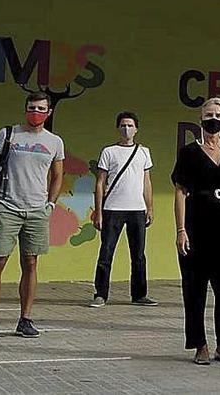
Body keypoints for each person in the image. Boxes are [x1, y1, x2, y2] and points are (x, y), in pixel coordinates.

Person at [0, 92, 66, 340]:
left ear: (48, 113)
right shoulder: (9, 134)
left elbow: (58, 175)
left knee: (31, 263)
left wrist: (50, 203)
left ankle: (25, 319)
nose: (35, 112)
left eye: (40, 109)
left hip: (37, 211)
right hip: (7, 208)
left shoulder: (55, 142)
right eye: (31, 107)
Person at [172, 97, 220, 365]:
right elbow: (180, 192)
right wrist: (181, 230)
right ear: (201, 119)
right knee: (194, 288)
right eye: (208, 114)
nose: (213, 118)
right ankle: (199, 345)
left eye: (218, 114)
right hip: (196, 225)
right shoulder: (189, 153)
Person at [90, 111, 157, 308]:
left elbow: (146, 182)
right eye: (123, 125)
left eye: (130, 125)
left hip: (137, 209)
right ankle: (100, 294)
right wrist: (99, 211)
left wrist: (150, 207)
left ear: (136, 129)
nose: (126, 129)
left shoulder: (144, 152)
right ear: (118, 128)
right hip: (113, 208)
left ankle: (139, 294)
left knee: (138, 254)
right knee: (106, 252)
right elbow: (100, 183)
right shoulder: (109, 152)